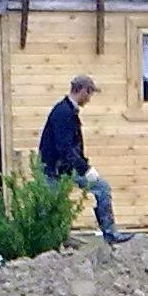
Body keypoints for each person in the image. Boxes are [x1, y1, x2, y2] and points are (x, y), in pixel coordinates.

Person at [37, 74, 131, 244]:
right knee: (52, 206)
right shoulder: (63, 113)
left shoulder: (69, 110)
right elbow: (64, 148)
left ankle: (110, 234)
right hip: (54, 169)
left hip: (66, 167)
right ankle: (53, 242)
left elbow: (73, 147)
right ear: (83, 91)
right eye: (90, 94)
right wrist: (84, 169)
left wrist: (83, 165)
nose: (89, 99)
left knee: (102, 188)